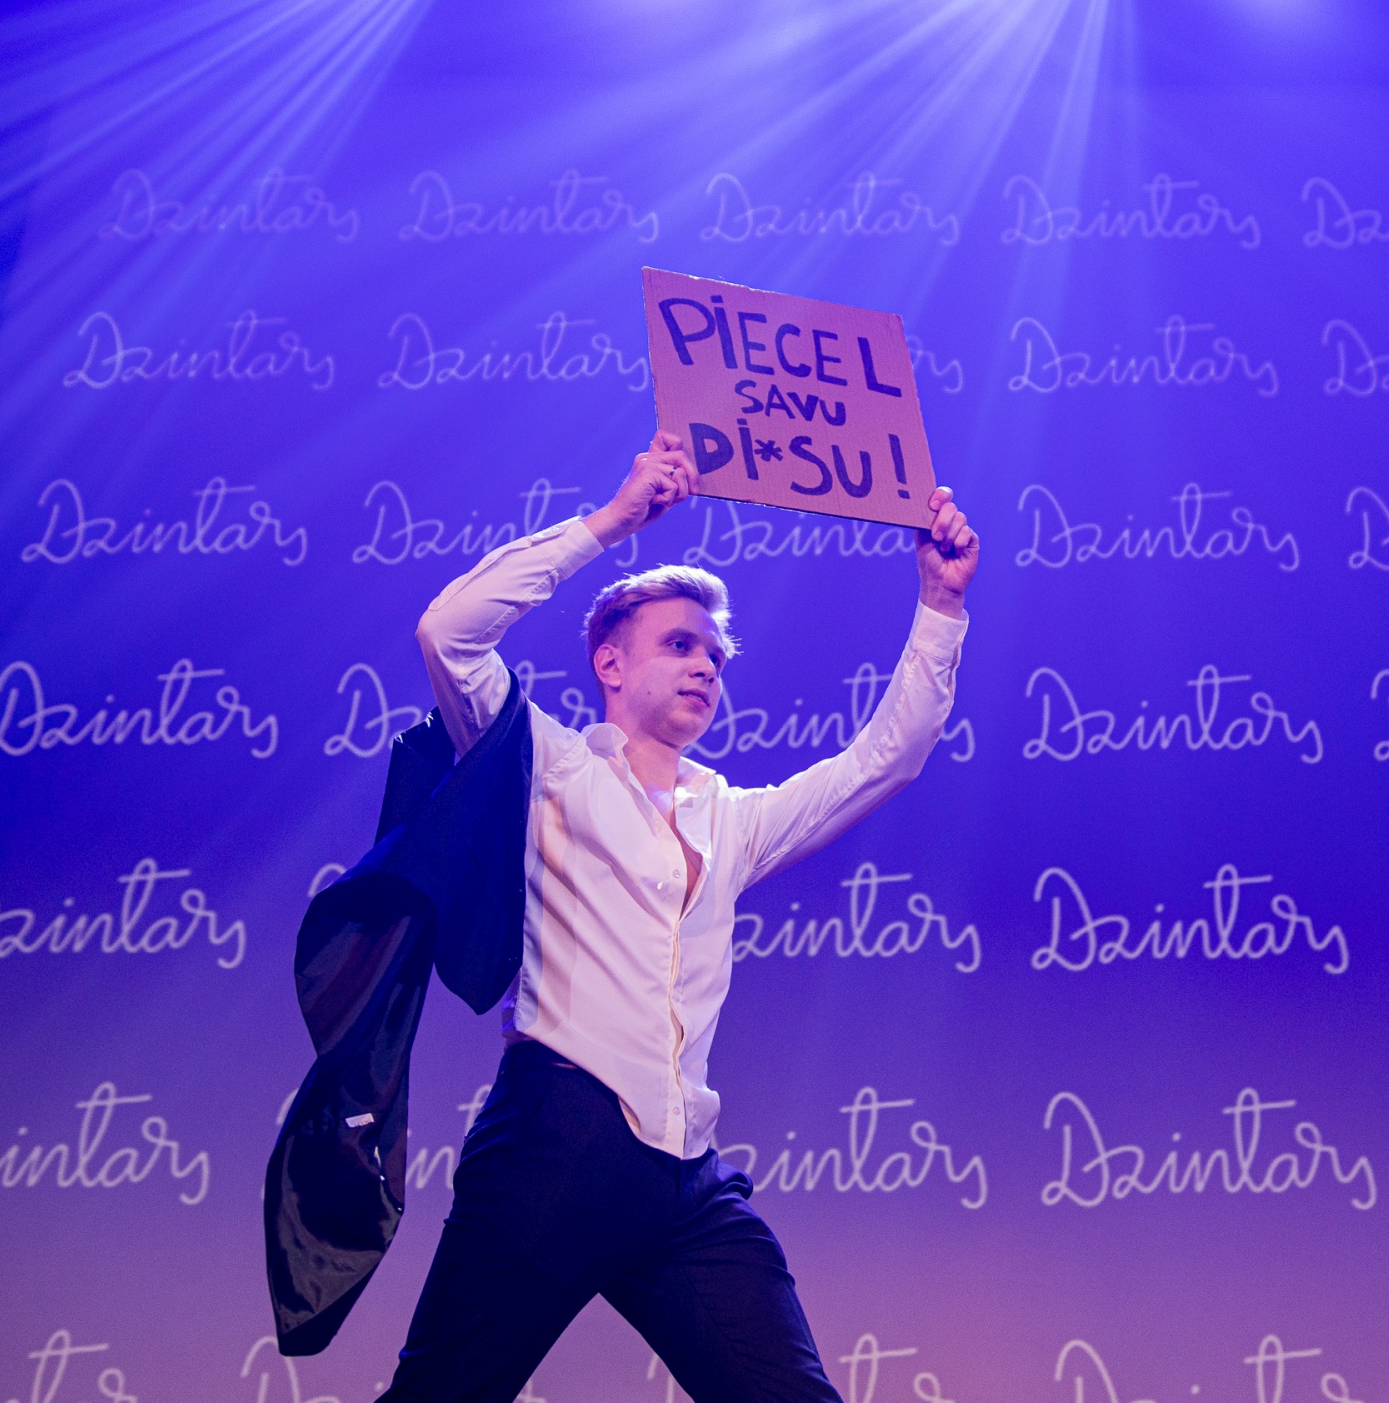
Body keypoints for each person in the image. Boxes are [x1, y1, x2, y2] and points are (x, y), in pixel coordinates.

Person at [383, 431, 978, 1402]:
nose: (706, 665)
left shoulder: (730, 818)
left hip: (685, 1181)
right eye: (679, 644)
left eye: (715, 653)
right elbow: (448, 633)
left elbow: (886, 759)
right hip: (551, 1148)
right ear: (610, 665)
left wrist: (941, 604)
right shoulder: (547, 766)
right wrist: (614, 522)